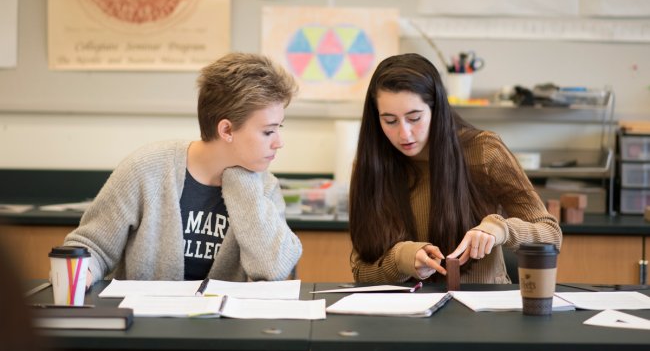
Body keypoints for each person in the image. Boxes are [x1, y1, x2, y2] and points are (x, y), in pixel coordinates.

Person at [64, 53, 302, 285]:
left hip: (222, 324)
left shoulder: (264, 185)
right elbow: (91, 247)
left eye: (279, 128)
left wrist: (245, 185)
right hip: (146, 322)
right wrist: (82, 272)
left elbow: (275, 270)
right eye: (268, 131)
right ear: (227, 130)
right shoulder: (146, 169)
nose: (278, 142)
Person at [349, 53, 561, 284]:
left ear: (436, 110)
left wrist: (501, 229)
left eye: (415, 118)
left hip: (481, 313)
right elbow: (361, 271)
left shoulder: (483, 151)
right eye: (390, 121)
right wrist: (400, 259)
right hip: (406, 312)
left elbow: (551, 235)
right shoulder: (371, 166)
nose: (404, 133)